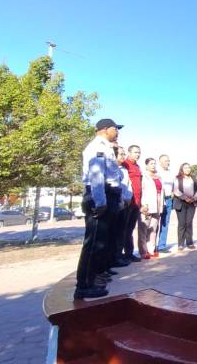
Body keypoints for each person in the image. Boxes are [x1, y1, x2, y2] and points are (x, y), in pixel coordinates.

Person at [74, 118, 123, 299]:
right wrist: (101, 202)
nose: (117, 132)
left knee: (101, 243)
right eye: (115, 129)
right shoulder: (97, 147)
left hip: (108, 195)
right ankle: (83, 286)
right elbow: (97, 177)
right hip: (99, 196)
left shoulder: (106, 147)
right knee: (93, 244)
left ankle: (93, 279)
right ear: (105, 129)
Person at [109, 146, 131, 268]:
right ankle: (111, 259)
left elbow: (128, 186)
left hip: (125, 204)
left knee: (121, 232)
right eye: (121, 154)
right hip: (116, 204)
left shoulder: (124, 169)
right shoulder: (112, 169)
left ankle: (117, 256)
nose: (123, 157)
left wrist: (128, 198)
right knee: (113, 233)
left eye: (123, 154)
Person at [139, 157, 165, 258]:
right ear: (146, 165)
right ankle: (143, 251)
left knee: (154, 228)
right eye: (151, 164)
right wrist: (143, 204)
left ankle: (151, 250)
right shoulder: (143, 176)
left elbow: (161, 191)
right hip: (147, 204)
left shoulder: (158, 176)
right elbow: (141, 191)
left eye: (154, 163)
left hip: (157, 204)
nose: (153, 165)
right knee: (144, 229)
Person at [121, 145, 143, 262]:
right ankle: (120, 255)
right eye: (135, 152)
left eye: (139, 152)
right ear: (129, 152)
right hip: (128, 201)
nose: (137, 154)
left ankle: (129, 253)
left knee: (130, 229)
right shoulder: (125, 164)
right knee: (123, 230)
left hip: (137, 203)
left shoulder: (138, 166)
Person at [173, 163, 197, 251]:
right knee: (182, 223)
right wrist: (185, 198)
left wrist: (194, 198)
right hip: (181, 202)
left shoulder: (195, 178)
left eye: (189, 167)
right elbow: (176, 190)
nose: (187, 169)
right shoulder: (177, 178)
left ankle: (189, 242)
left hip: (192, 203)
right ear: (182, 169)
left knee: (189, 222)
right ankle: (180, 244)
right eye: (185, 168)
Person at [156, 154, 175, 253]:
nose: (167, 162)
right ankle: (152, 245)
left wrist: (172, 193)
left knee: (165, 223)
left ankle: (162, 245)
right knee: (155, 223)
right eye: (164, 161)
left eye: (168, 160)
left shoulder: (172, 174)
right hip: (158, 200)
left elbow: (174, 186)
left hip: (168, 199)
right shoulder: (156, 172)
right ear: (160, 162)